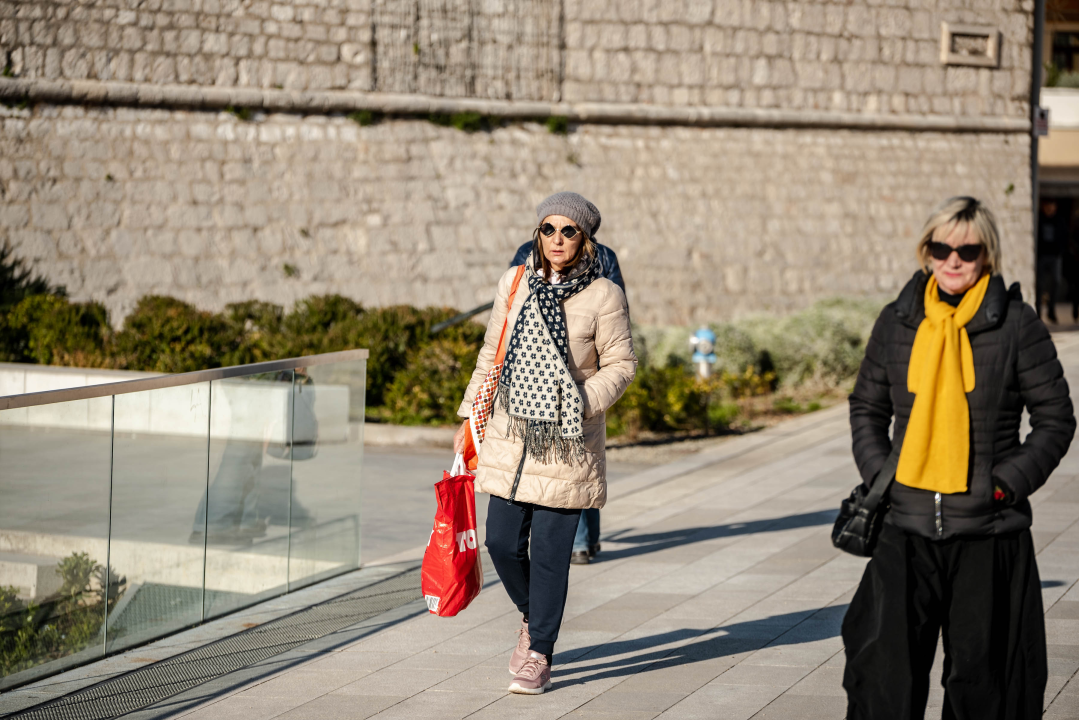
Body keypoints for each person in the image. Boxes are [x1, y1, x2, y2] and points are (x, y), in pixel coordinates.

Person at [843, 196, 1076, 720]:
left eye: (967, 250)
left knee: (986, 687)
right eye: (941, 247)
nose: (953, 259)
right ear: (925, 251)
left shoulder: (1017, 325)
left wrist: (1004, 485)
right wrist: (883, 475)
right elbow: (867, 407)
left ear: (986, 255)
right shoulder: (896, 322)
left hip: (988, 533)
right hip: (904, 529)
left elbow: (1056, 418)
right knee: (884, 684)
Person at [455, 191, 636, 695]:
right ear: (538, 233)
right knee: (500, 542)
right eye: (548, 229)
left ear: (585, 238)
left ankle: (539, 653)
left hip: (568, 444)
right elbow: (491, 355)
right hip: (511, 437)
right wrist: (469, 416)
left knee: (552, 556)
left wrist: (579, 402)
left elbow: (621, 366)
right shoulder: (514, 282)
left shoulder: (604, 295)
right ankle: (534, 617)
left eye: (568, 231)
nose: (557, 239)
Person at [509, 238, 626, 565]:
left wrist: (588, 395)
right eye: (549, 227)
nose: (558, 236)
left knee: (579, 458)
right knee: (577, 459)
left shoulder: (601, 257)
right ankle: (584, 540)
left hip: (582, 379)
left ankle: (582, 540)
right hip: (537, 375)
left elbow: (616, 315)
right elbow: (511, 305)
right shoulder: (530, 253)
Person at [1038, 198, 1066, 323]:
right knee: (1039, 284)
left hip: (1055, 256)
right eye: (1048, 205)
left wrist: (1060, 251)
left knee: (1056, 282)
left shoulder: (1059, 220)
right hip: (1042, 256)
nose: (1050, 208)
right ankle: (1038, 311)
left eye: (1052, 205)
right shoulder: (1039, 219)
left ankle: (1051, 311)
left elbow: (1064, 236)